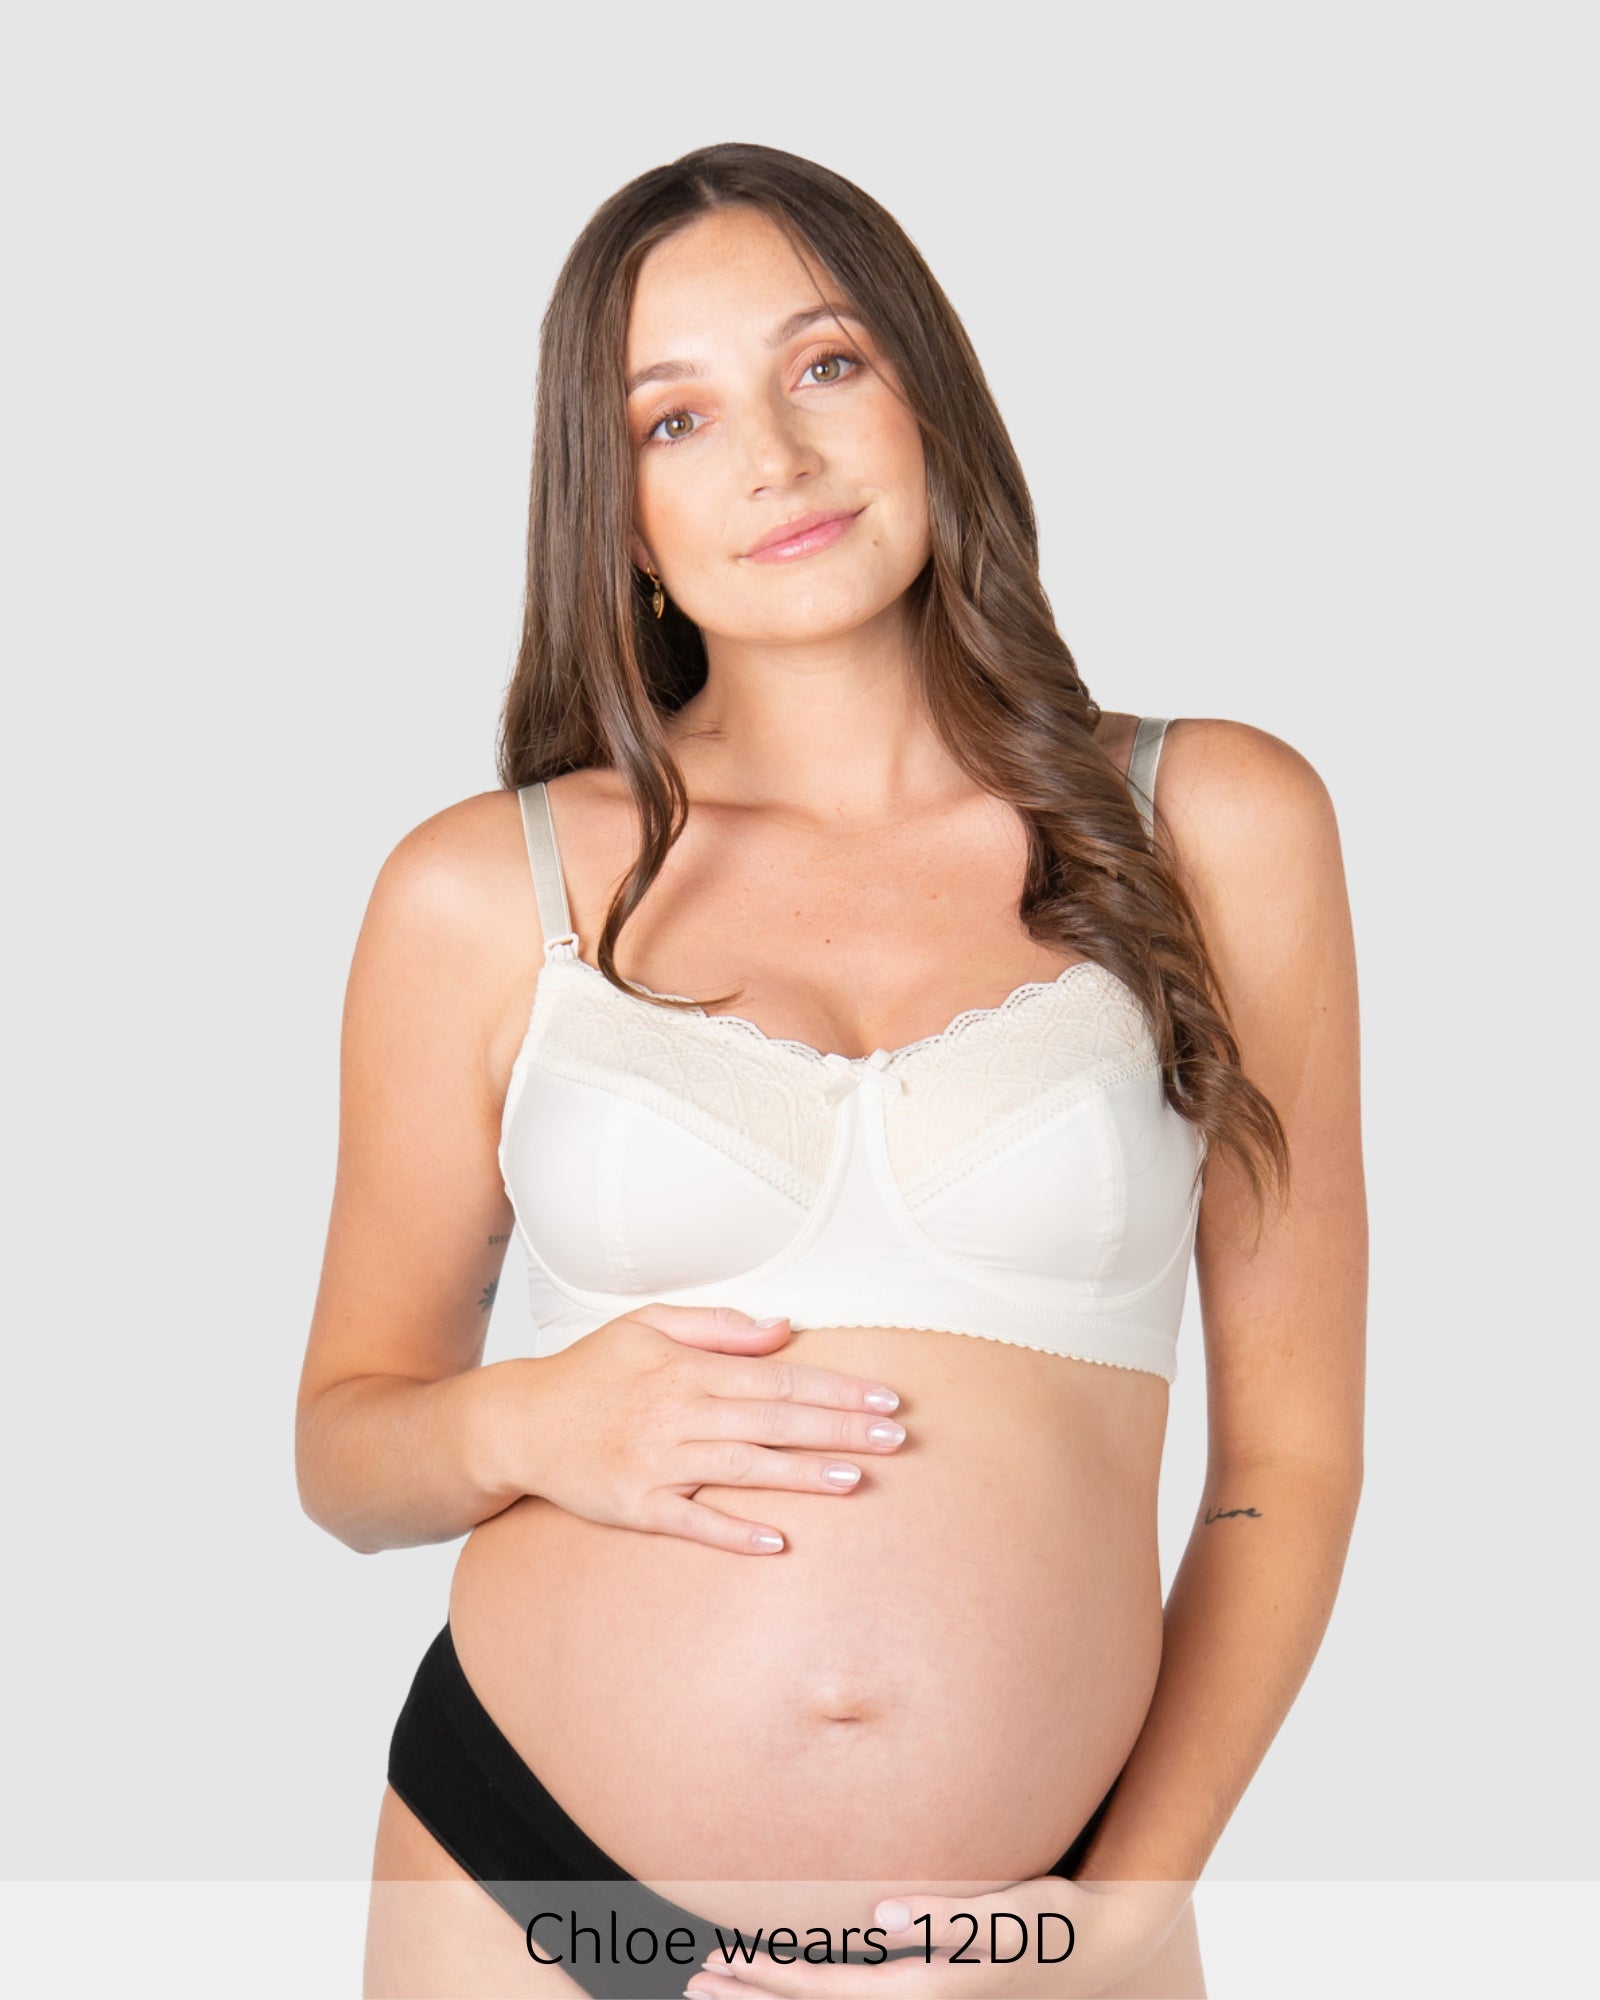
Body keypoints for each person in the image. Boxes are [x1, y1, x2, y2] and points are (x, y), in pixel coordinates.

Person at [296, 143, 1366, 2000]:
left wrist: (1105, 1921)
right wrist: (528, 1427)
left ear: (930, 394)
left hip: (1033, 1936)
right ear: (621, 515)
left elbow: (1293, 1462)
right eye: (677, 418)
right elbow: (345, 1447)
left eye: (827, 364)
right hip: (530, 1893)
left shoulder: (1211, 822)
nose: (775, 459)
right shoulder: (484, 889)